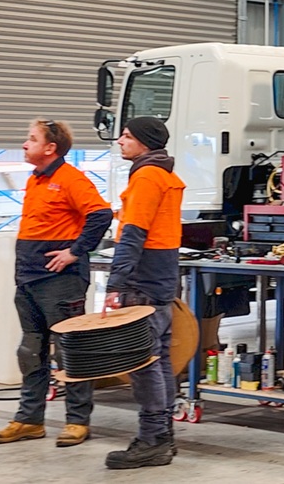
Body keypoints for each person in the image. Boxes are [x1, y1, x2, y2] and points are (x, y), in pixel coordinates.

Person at [0, 119, 113, 448]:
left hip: (60, 281)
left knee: (72, 351)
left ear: (50, 148)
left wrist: (75, 252)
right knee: (31, 350)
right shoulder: (35, 180)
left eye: (31, 139)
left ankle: (77, 421)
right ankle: (29, 420)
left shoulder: (71, 178)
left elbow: (101, 214)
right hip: (28, 277)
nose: (24, 144)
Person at [103, 117, 185, 470]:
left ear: (144, 142)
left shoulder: (147, 176)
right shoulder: (163, 175)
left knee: (142, 361)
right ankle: (162, 436)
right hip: (162, 277)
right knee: (159, 359)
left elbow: (134, 233)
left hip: (142, 281)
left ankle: (151, 439)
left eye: (127, 136)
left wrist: (115, 283)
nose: (120, 141)